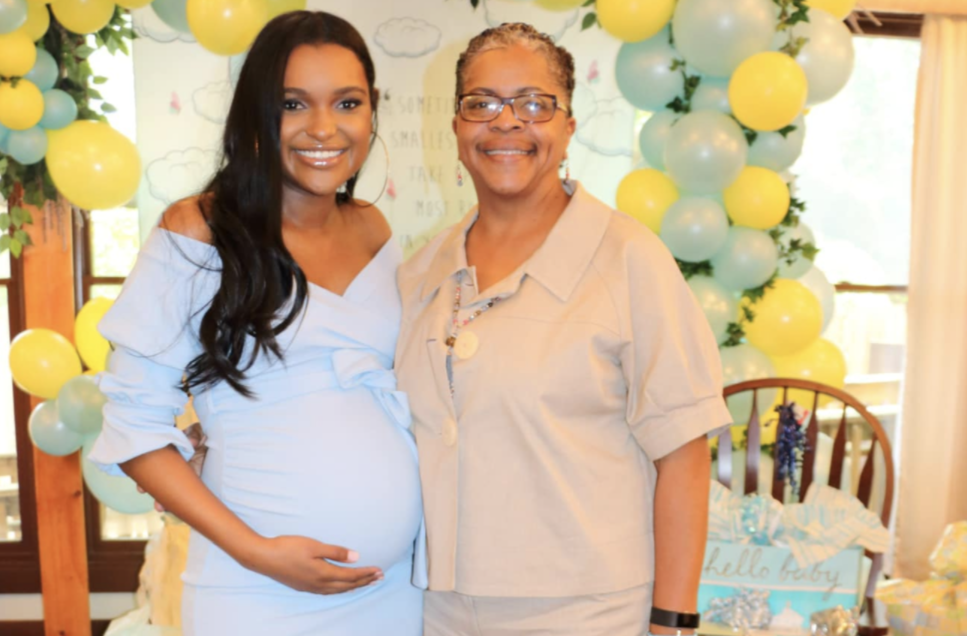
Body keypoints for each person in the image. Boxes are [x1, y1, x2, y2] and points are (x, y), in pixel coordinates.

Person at [87, 12, 424, 635]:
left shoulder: (374, 228)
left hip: (392, 590)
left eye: (346, 103)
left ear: (371, 112)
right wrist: (256, 551)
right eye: (293, 103)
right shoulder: (198, 229)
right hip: (255, 587)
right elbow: (131, 425)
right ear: (255, 115)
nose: (323, 128)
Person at [395, 23, 732, 635]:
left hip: (587, 610)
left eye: (534, 103)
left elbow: (683, 452)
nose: (507, 122)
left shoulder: (629, 259)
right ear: (456, 126)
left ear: (569, 126)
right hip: (440, 606)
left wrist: (673, 622)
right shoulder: (423, 273)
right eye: (483, 104)